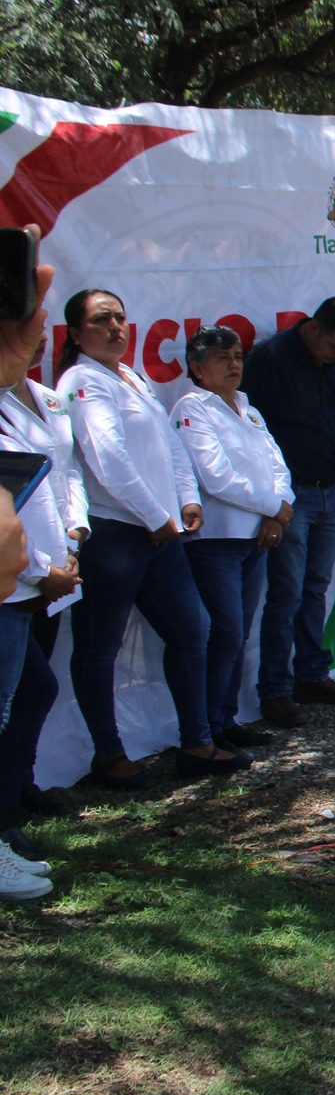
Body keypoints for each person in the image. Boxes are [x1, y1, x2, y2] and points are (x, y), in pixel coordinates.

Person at [62, 288, 249, 786]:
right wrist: (154, 515)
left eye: (121, 318)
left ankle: (196, 743)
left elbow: (169, 445)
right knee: (100, 647)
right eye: (103, 320)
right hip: (115, 534)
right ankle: (108, 755)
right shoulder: (82, 379)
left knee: (194, 631)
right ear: (77, 334)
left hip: (158, 533)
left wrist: (186, 499)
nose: (116, 327)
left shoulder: (129, 377)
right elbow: (107, 458)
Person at [242, 296, 335, 727]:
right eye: (334, 347)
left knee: (315, 588)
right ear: (312, 329)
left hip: (331, 487)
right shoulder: (269, 359)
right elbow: (249, 430)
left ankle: (312, 673)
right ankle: (275, 689)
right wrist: (271, 501)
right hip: (289, 494)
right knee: (286, 594)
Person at [172, 326, 296, 753]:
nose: (234, 365)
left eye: (238, 356)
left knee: (238, 632)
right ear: (197, 367)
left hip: (256, 537)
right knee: (222, 631)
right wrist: (271, 507)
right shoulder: (192, 408)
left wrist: (279, 511)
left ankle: (224, 719)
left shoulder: (248, 408)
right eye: (223, 358)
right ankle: (206, 728)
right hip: (216, 539)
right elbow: (216, 476)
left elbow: (278, 464)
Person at [0, 330, 88, 867]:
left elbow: (60, 474)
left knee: (28, 693)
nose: (29, 345)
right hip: (17, 580)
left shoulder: (37, 400)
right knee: (25, 694)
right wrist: (39, 569)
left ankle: (12, 806)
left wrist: (71, 537)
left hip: (45, 574)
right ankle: (5, 822)